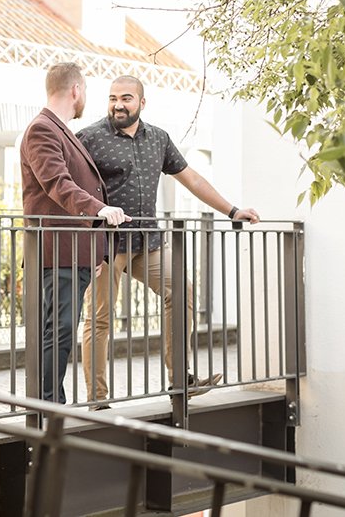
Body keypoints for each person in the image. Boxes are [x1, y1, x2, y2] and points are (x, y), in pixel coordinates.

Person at [78, 75, 260, 404]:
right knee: (100, 319)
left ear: (141, 103)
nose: (118, 104)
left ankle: (181, 381)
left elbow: (191, 178)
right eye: (112, 98)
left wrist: (231, 211)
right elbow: (70, 185)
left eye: (126, 98)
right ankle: (97, 399)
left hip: (148, 242)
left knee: (181, 292)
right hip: (106, 245)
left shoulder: (158, 139)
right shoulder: (89, 137)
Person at [20, 62, 128, 403]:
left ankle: (50, 403)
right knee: (60, 329)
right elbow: (58, 184)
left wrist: (92, 252)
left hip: (74, 251)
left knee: (61, 329)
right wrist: (99, 209)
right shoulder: (43, 129)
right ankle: (48, 406)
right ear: (76, 90)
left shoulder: (59, 130)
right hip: (56, 250)